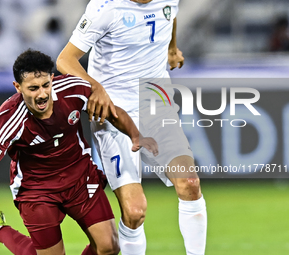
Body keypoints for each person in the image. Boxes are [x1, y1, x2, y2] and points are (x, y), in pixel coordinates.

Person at [0, 49, 158, 255]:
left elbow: (111, 111)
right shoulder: (8, 120)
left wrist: (135, 135)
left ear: (52, 78)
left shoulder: (73, 89)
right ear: (18, 87)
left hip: (80, 178)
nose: (41, 94)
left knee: (110, 246)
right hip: (37, 190)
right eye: (33, 88)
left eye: (45, 85)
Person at [56, 0, 207, 254]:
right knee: (135, 212)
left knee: (190, 183)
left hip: (156, 105)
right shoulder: (105, 8)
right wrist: (96, 88)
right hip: (115, 114)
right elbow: (65, 60)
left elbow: (170, 15)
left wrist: (171, 48)